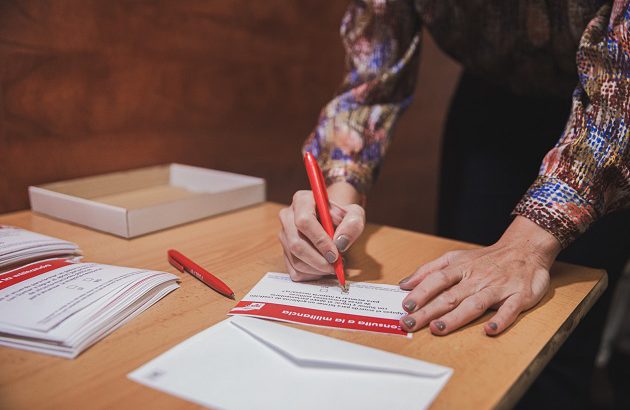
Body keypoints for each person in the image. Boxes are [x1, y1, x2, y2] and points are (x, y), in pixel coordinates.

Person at [278, 1, 629, 408]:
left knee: (557, 338)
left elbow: (620, 102)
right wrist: (337, 205)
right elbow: (371, 79)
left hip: (609, 113)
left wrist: (526, 247)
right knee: (459, 322)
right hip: (489, 106)